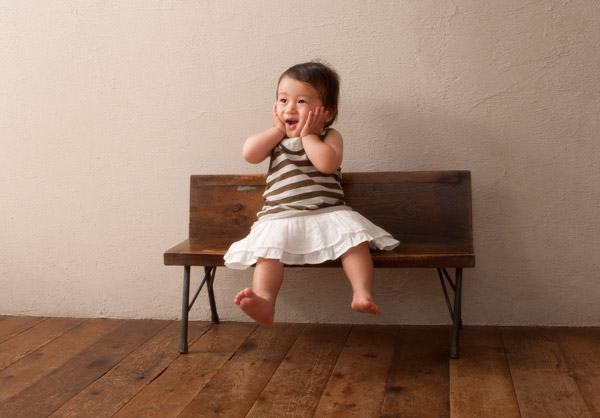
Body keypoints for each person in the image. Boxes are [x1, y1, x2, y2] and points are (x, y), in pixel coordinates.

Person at [224, 61, 399, 326]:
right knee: (268, 254)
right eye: (283, 100)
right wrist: (276, 130)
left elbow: (327, 164)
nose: (289, 109)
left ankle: (362, 293)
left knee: (354, 243)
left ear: (327, 112)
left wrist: (308, 136)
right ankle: (265, 301)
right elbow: (249, 154)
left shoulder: (329, 136)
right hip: (280, 217)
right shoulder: (275, 141)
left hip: (328, 212)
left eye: (301, 101)